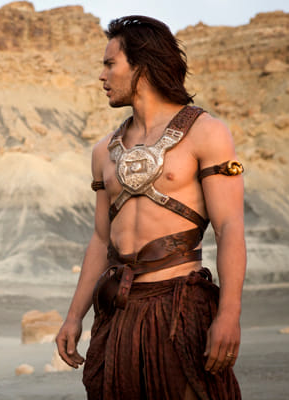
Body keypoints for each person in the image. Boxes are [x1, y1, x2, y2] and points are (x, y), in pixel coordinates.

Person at [56, 16, 245, 399]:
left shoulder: (206, 132)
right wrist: (74, 316)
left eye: (110, 64)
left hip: (180, 309)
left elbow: (229, 228)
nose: (102, 76)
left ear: (141, 66)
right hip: (117, 311)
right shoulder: (103, 151)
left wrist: (229, 314)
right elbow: (100, 239)